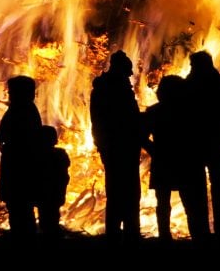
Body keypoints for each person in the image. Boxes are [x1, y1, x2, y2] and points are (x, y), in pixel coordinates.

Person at [142, 75, 208, 243]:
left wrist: (155, 151)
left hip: (166, 162)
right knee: (191, 204)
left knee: (163, 203)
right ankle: (198, 237)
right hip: (187, 162)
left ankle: (165, 236)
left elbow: (141, 137)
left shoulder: (155, 111)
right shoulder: (193, 112)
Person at [89, 51, 143, 245]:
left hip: (112, 148)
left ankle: (118, 233)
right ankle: (128, 233)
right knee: (127, 192)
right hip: (121, 148)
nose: (130, 77)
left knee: (117, 191)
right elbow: (130, 121)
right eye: (128, 72)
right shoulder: (116, 90)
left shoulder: (103, 88)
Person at [184, 50, 220, 237]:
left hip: (195, 147)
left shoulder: (188, 87)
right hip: (216, 146)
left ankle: (201, 233)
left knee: (198, 192)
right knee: (219, 191)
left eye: (193, 65)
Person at [0, 75, 42, 242]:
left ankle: (23, 240)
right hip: (19, 164)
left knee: (20, 205)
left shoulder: (21, 111)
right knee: (21, 206)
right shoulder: (25, 109)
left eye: (12, 91)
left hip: (18, 166)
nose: (9, 94)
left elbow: (5, 135)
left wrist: (4, 143)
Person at [36, 125, 70, 243]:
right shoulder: (60, 154)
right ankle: (52, 235)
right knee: (52, 215)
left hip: (46, 194)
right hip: (55, 193)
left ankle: (49, 235)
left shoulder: (38, 156)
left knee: (46, 216)